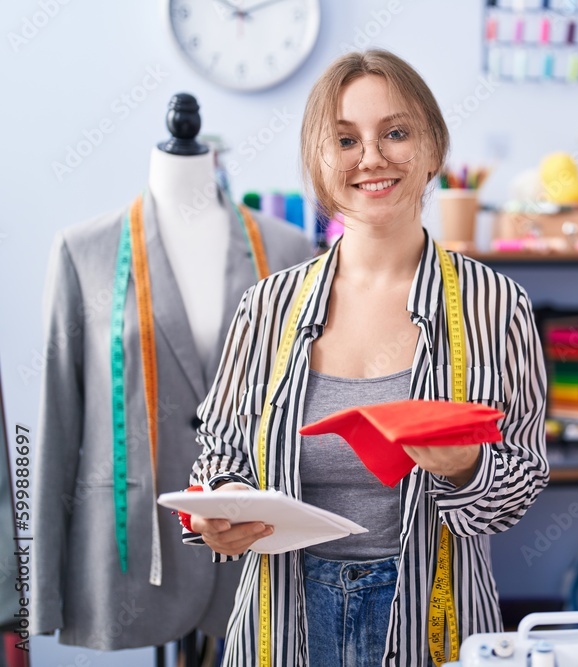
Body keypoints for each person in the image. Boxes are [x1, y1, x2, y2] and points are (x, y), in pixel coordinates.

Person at [184, 49, 549, 666]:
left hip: (435, 624)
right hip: (284, 622)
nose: (372, 158)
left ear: (433, 150)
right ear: (319, 163)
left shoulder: (496, 305)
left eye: (396, 133)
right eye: (345, 139)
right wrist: (223, 511)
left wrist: (464, 472)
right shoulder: (267, 308)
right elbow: (220, 453)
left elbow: (522, 483)